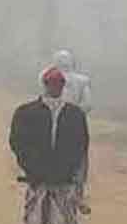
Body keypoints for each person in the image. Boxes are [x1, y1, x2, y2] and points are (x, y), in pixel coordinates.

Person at [10, 67, 89, 224]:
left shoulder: (75, 115)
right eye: (52, 83)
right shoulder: (26, 113)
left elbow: (81, 146)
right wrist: (29, 165)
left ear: (63, 86)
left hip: (63, 180)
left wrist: (74, 174)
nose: (56, 87)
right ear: (45, 85)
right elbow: (17, 142)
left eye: (59, 84)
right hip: (38, 179)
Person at [40, 50, 93, 213]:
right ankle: (78, 196)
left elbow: (43, 99)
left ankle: (45, 192)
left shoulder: (46, 76)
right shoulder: (82, 81)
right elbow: (87, 105)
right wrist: (74, 115)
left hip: (49, 125)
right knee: (79, 161)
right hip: (75, 128)